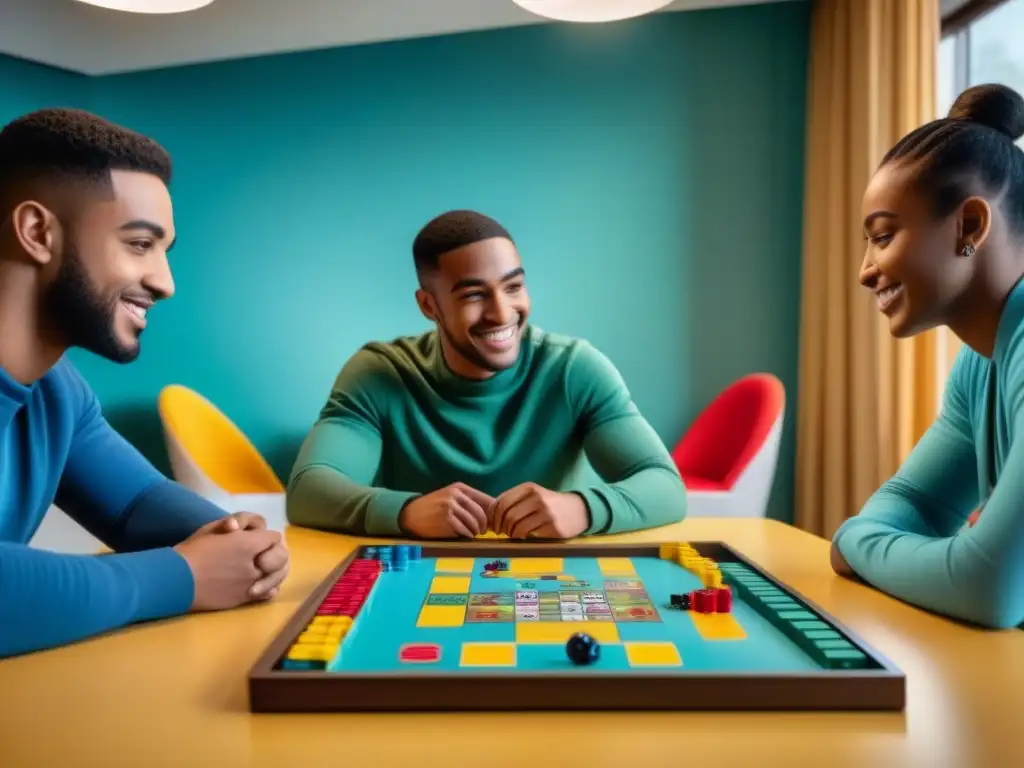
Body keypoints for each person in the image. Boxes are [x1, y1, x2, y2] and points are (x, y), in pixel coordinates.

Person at [0, 108, 290, 658]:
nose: (165, 282)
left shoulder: (58, 390)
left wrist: (236, 539)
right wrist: (181, 576)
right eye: (139, 244)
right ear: (38, 233)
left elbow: (136, 502)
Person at [287, 210, 687, 540]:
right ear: (429, 305)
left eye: (513, 287)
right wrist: (406, 512)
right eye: (474, 295)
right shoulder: (379, 375)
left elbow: (666, 487)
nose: (501, 313)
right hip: (417, 578)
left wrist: (582, 508)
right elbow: (307, 491)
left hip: (555, 578)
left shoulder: (574, 369)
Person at [831, 84, 1024, 630]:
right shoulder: (980, 363)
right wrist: (942, 552)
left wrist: (853, 540)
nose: (866, 270)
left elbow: (987, 588)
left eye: (884, 236)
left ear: (969, 226)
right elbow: (914, 503)